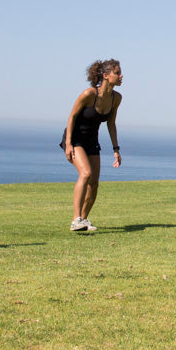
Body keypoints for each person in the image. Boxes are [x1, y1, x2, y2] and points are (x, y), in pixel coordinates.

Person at [60, 59, 123, 232]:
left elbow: (111, 123)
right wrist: (68, 144)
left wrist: (116, 149)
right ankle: (76, 220)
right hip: (75, 138)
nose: (121, 76)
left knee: (94, 183)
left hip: (92, 140)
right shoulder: (89, 94)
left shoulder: (116, 98)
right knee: (86, 173)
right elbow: (72, 117)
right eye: (117, 73)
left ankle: (84, 219)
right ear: (106, 75)